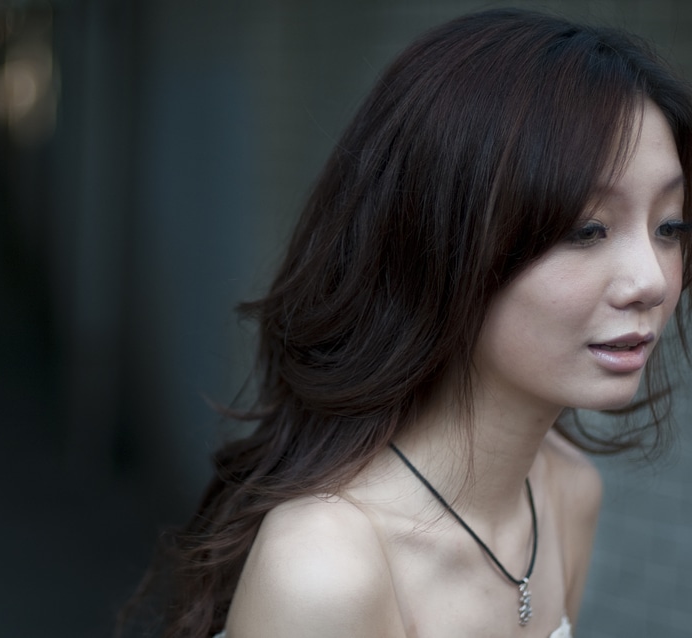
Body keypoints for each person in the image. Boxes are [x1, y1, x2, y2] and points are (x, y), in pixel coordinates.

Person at [120, 8, 692, 637]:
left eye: (670, 226)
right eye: (588, 229)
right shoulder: (327, 570)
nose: (654, 280)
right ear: (444, 241)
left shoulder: (567, 493)